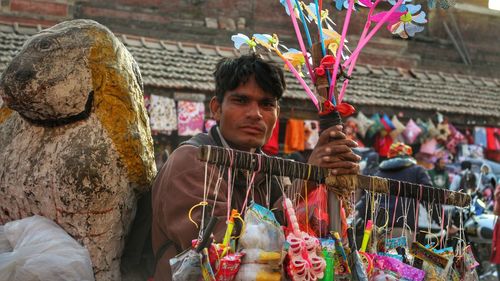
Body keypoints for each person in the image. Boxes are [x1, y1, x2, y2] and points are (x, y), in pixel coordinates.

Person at [151, 54, 360, 281]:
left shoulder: (269, 169)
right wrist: (305, 180)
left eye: (267, 104)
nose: (255, 114)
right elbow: (229, 253)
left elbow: (290, 226)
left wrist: (322, 177)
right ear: (217, 109)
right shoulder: (192, 161)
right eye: (241, 101)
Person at [357, 142, 432, 244]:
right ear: (408, 155)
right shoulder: (417, 171)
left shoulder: (379, 174)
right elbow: (430, 199)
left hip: (380, 229)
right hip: (404, 229)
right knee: (402, 259)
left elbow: (366, 203)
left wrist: (358, 218)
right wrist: (446, 224)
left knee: (380, 259)